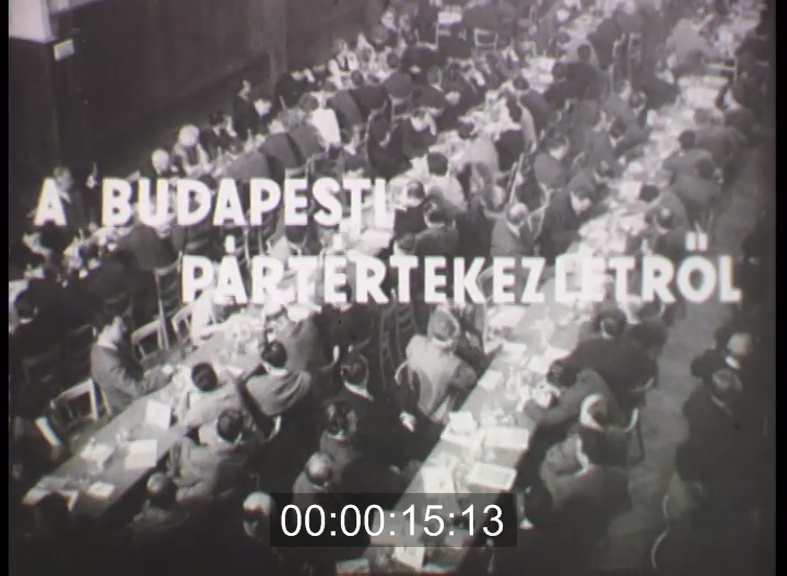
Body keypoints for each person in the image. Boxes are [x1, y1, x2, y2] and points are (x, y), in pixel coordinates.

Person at [561, 310, 657, 413]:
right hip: (620, 401)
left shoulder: (586, 346)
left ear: (602, 325)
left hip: (586, 400)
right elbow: (650, 375)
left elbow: (566, 371)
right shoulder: (637, 351)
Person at [90, 311, 173, 414]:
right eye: (120, 326)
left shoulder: (100, 346)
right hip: (131, 408)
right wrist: (162, 373)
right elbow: (138, 390)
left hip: (134, 392)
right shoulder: (110, 364)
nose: (124, 328)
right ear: (107, 329)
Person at [168, 409, 251, 509]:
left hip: (194, 495)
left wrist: (173, 480)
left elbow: (184, 497)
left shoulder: (202, 457)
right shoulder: (245, 453)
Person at [404, 312, 477, 422]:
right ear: (450, 342)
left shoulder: (415, 341)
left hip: (412, 405)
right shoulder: (453, 364)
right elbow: (472, 378)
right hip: (432, 416)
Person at [263, 302, 327, 373]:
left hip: (299, 378)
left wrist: (262, 330)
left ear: (274, 322)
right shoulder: (309, 324)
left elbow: (265, 356)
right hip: (323, 373)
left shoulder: (279, 342)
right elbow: (314, 312)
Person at [174, 363, 241, 429]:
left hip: (221, 432)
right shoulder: (230, 382)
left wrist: (186, 390)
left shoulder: (202, 407)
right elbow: (224, 372)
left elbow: (183, 420)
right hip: (240, 423)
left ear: (198, 387)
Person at [538, 187, 596, 264]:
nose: (583, 209)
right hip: (552, 251)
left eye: (585, 207)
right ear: (575, 197)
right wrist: (578, 234)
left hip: (566, 244)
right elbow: (555, 236)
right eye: (582, 207)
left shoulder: (574, 204)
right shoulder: (559, 210)